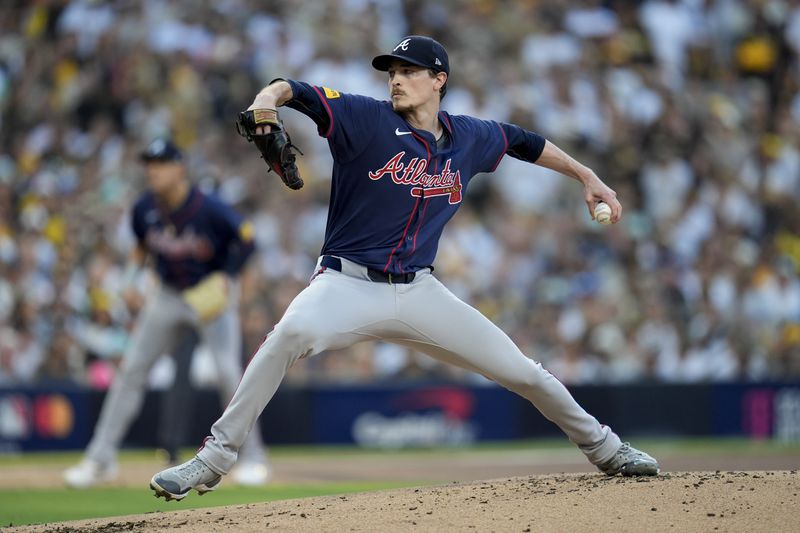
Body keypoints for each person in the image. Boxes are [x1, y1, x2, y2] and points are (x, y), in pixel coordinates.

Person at [150, 36, 659, 501]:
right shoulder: (366, 119)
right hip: (345, 285)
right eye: (391, 70)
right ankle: (213, 459)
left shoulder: (470, 137)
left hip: (420, 292)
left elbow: (525, 142)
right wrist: (266, 100)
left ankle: (607, 449)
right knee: (287, 336)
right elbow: (298, 90)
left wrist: (586, 174)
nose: (395, 78)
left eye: (409, 70)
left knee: (524, 372)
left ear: (438, 80)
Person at [64, 139, 269, 488]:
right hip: (168, 295)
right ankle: (99, 459)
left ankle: (253, 458)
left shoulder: (210, 208)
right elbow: (142, 246)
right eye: (149, 163)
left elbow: (247, 240)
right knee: (131, 371)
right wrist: (129, 280)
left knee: (227, 373)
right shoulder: (144, 207)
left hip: (209, 297)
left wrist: (229, 280)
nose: (153, 169)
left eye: (161, 162)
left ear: (180, 168)